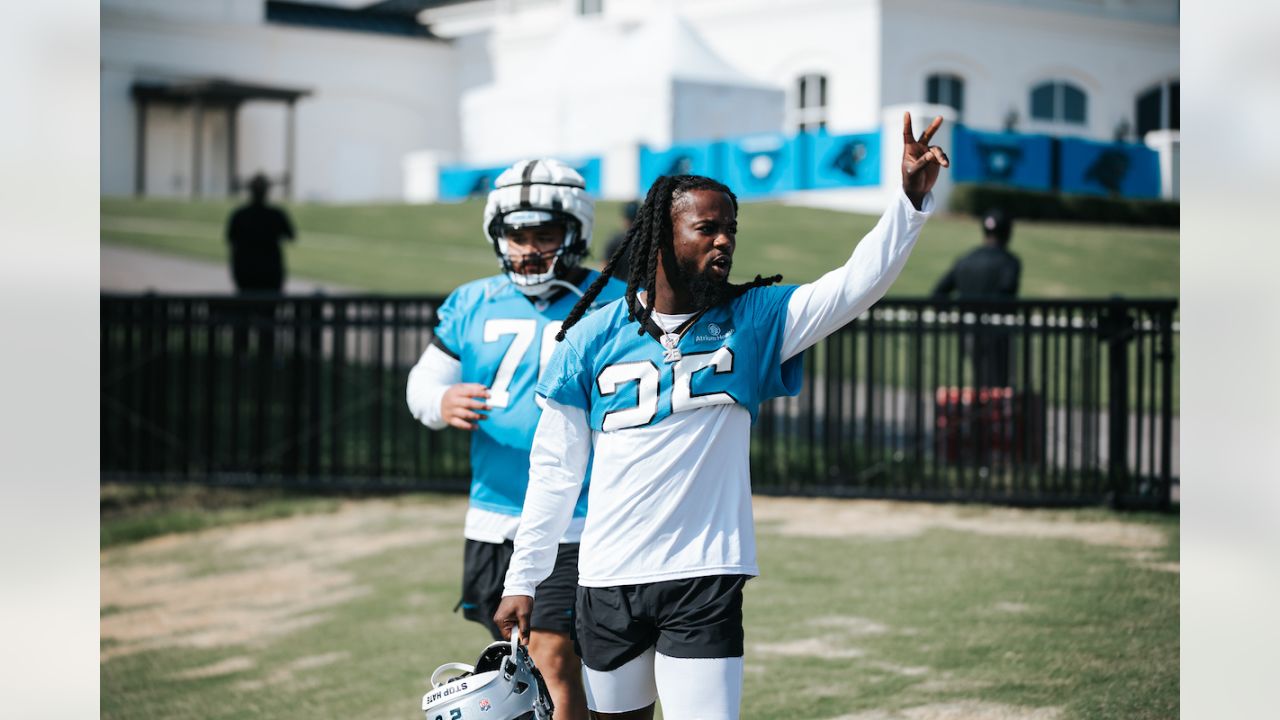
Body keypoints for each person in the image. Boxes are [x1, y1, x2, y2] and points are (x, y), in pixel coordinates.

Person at [493, 113, 949, 720]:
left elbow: (855, 286)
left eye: (730, 229)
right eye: (707, 229)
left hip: (704, 575)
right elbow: (554, 471)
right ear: (661, 238)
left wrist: (908, 200)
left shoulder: (756, 319)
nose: (725, 242)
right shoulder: (589, 338)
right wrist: (522, 578)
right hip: (607, 579)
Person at [406, 158, 626, 720]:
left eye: (543, 235)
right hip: (492, 513)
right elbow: (423, 380)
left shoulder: (613, 301)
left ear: (573, 234)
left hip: (572, 517)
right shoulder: (472, 301)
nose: (527, 248)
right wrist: (439, 400)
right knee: (513, 667)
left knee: (551, 656)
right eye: (516, 234)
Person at [932, 208, 1021, 387]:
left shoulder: (965, 260)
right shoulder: (1010, 262)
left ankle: (980, 414)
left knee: (979, 379)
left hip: (969, 331)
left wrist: (953, 319)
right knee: (999, 384)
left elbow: (938, 293)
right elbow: (1007, 293)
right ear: (1008, 232)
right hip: (998, 332)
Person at [226, 173, 296, 293]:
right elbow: (291, 236)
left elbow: (231, 239)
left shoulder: (239, 215)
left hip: (245, 272)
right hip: (271, 272)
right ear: (267, 192)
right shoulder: (276, 215)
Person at [600, 200, 640, 282]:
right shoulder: (647, 240)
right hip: (643, 291)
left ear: (624, 219)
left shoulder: (614, 240)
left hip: (619, 291)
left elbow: (604, 269)